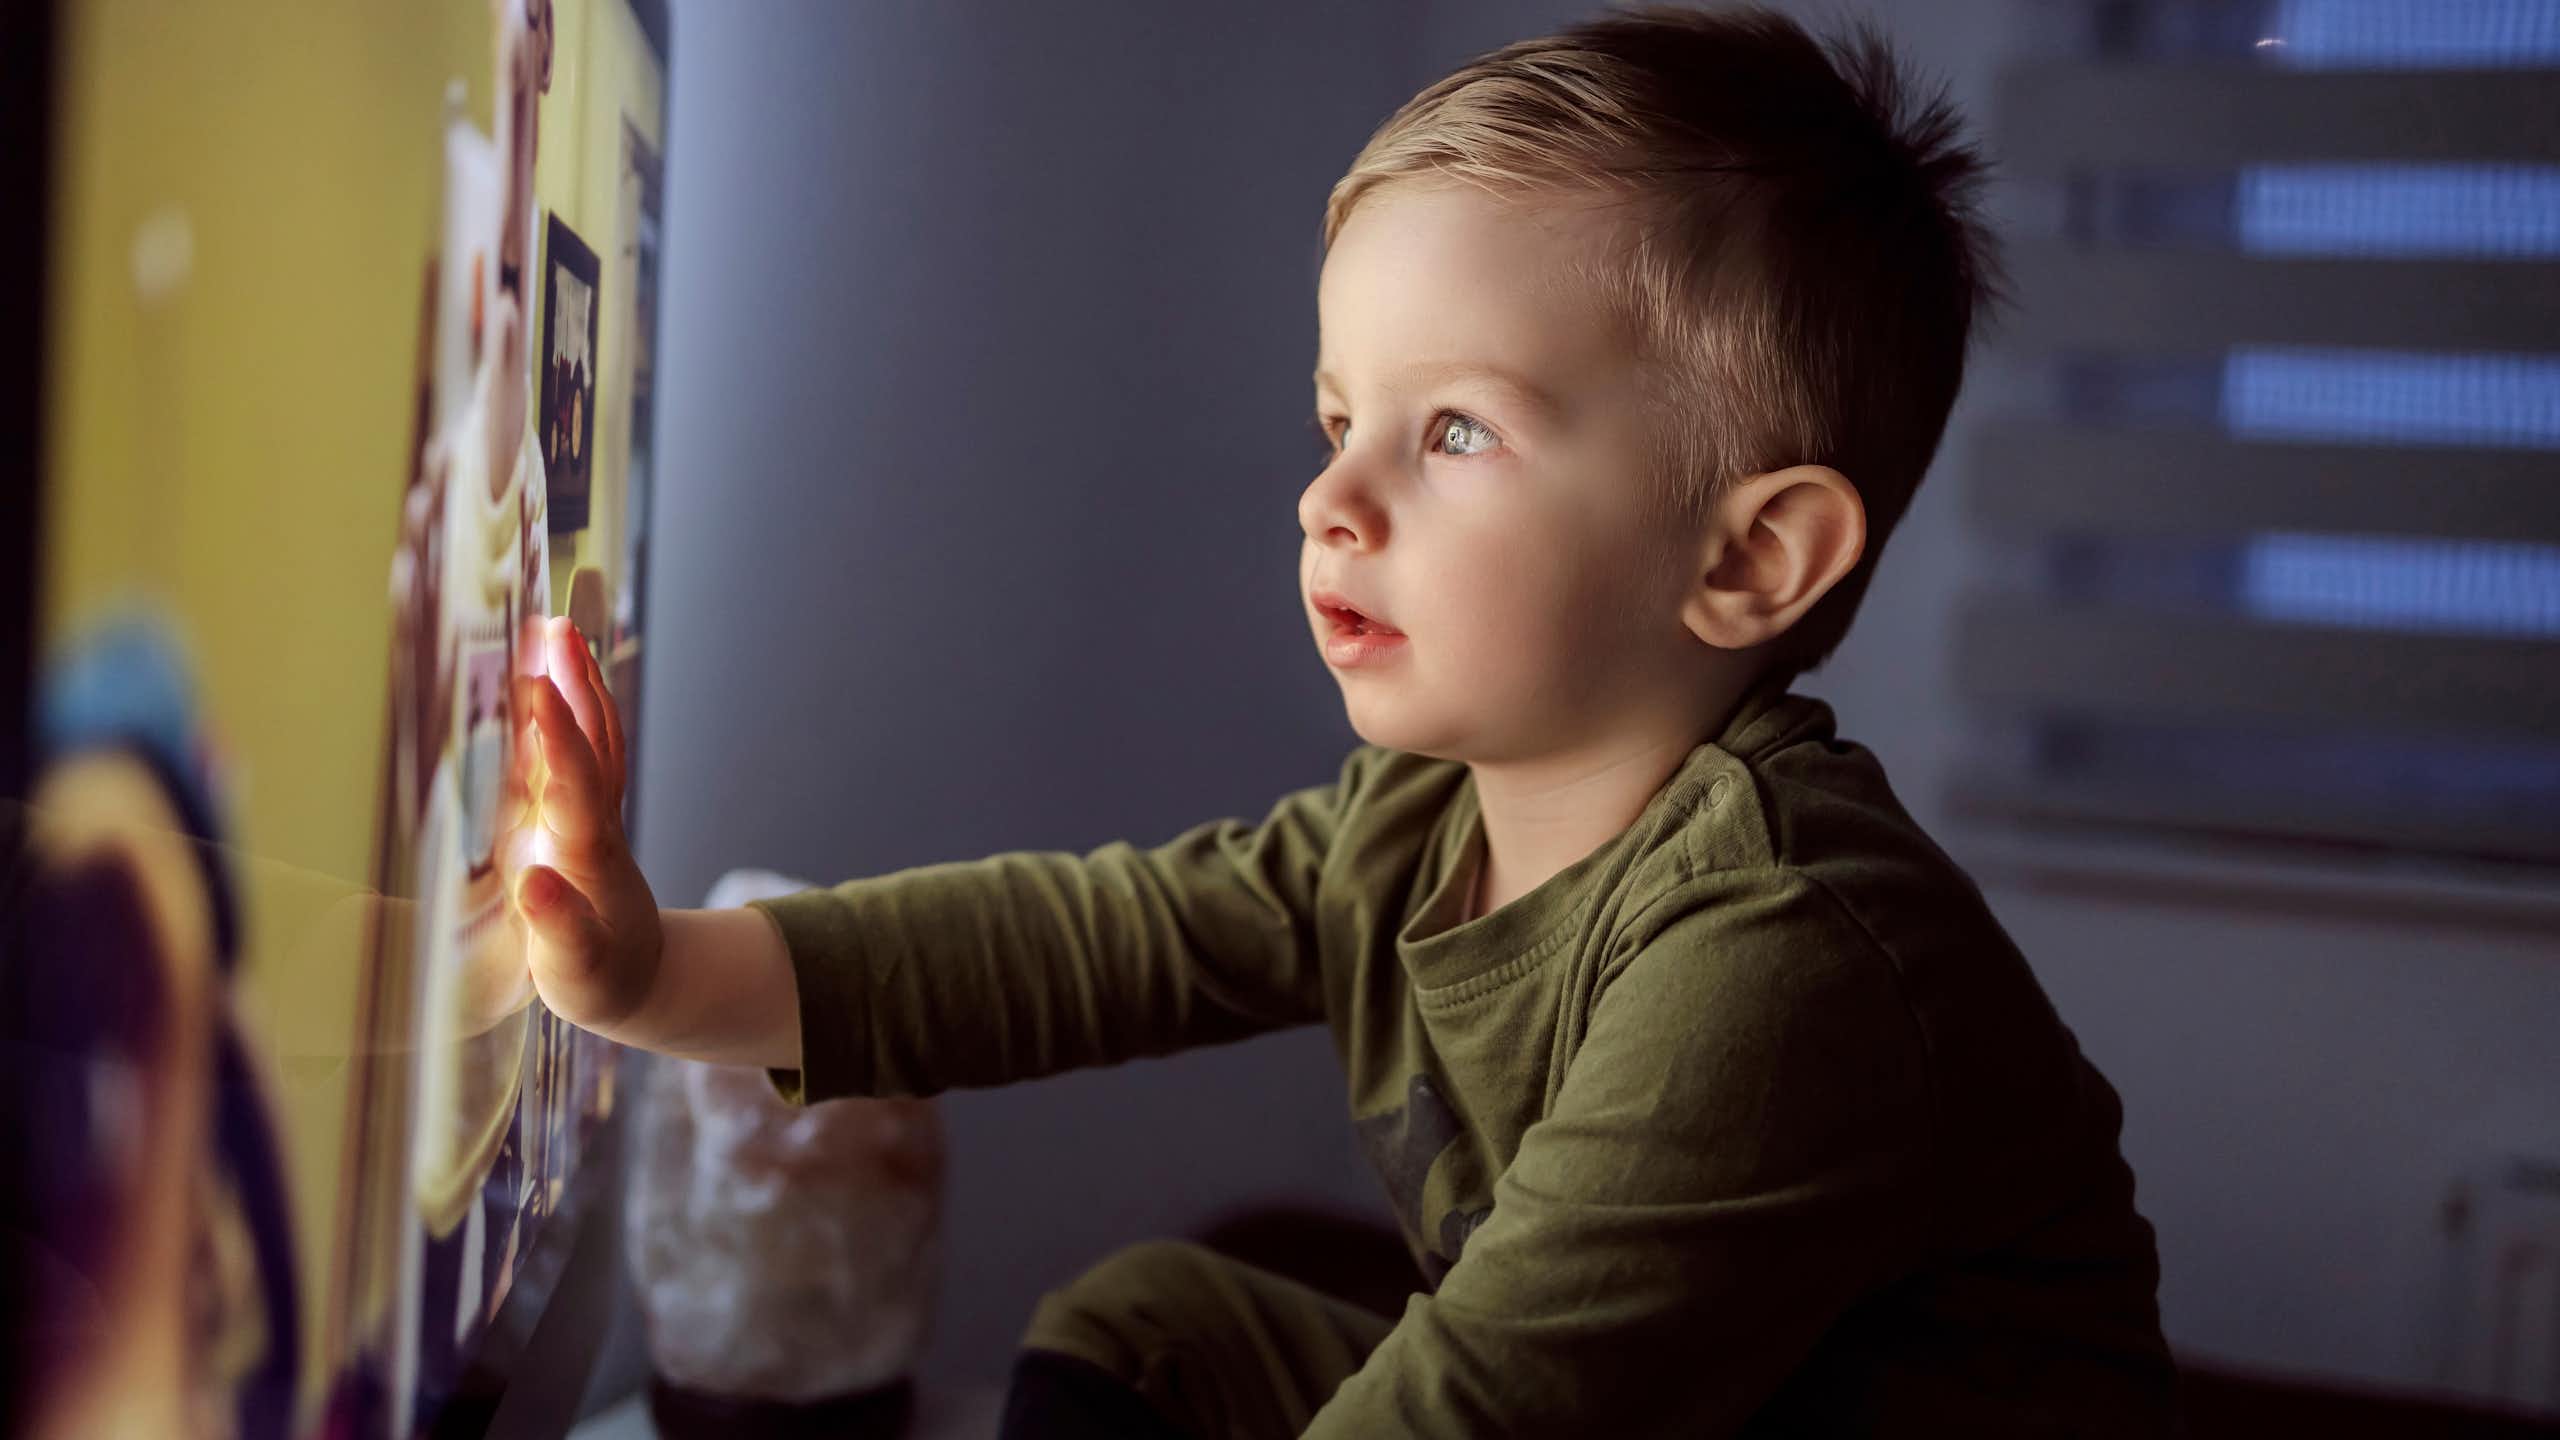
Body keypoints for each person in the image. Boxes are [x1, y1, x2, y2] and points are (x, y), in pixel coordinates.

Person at [502, 6, 2178, 1435]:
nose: (1329, 499)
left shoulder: (1783, 957)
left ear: (1749, 556)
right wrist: (654, 973)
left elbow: (1473, 1414)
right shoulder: (1415, 824)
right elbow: (1071, 945)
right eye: (1336, 416)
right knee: (1155, 1327)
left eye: (1452, 432)